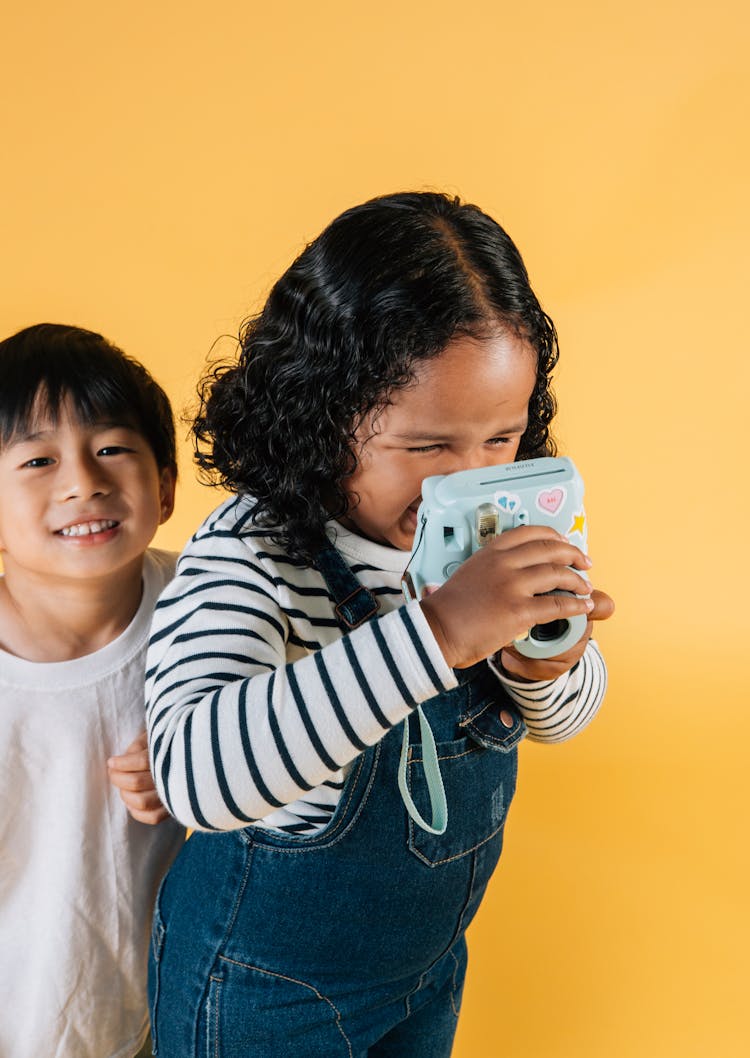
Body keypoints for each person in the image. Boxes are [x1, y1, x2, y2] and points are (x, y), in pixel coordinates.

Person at [145, 191, 615, 1058]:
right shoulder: (254, 556)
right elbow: (194, 778)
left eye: (501, 440)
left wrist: (544, 666)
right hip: (264, 992)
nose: (465, 481)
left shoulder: (504, 541)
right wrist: (436, 632)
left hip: (424, 971)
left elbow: (567, 720)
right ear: (320, 418)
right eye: (428, 448)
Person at [0, 324, 184, 1058]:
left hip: (167, 1022)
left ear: (166, 485)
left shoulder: (209, 606)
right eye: (39, 459)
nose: (83, 482)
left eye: (111, 447)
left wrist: (197, 772)